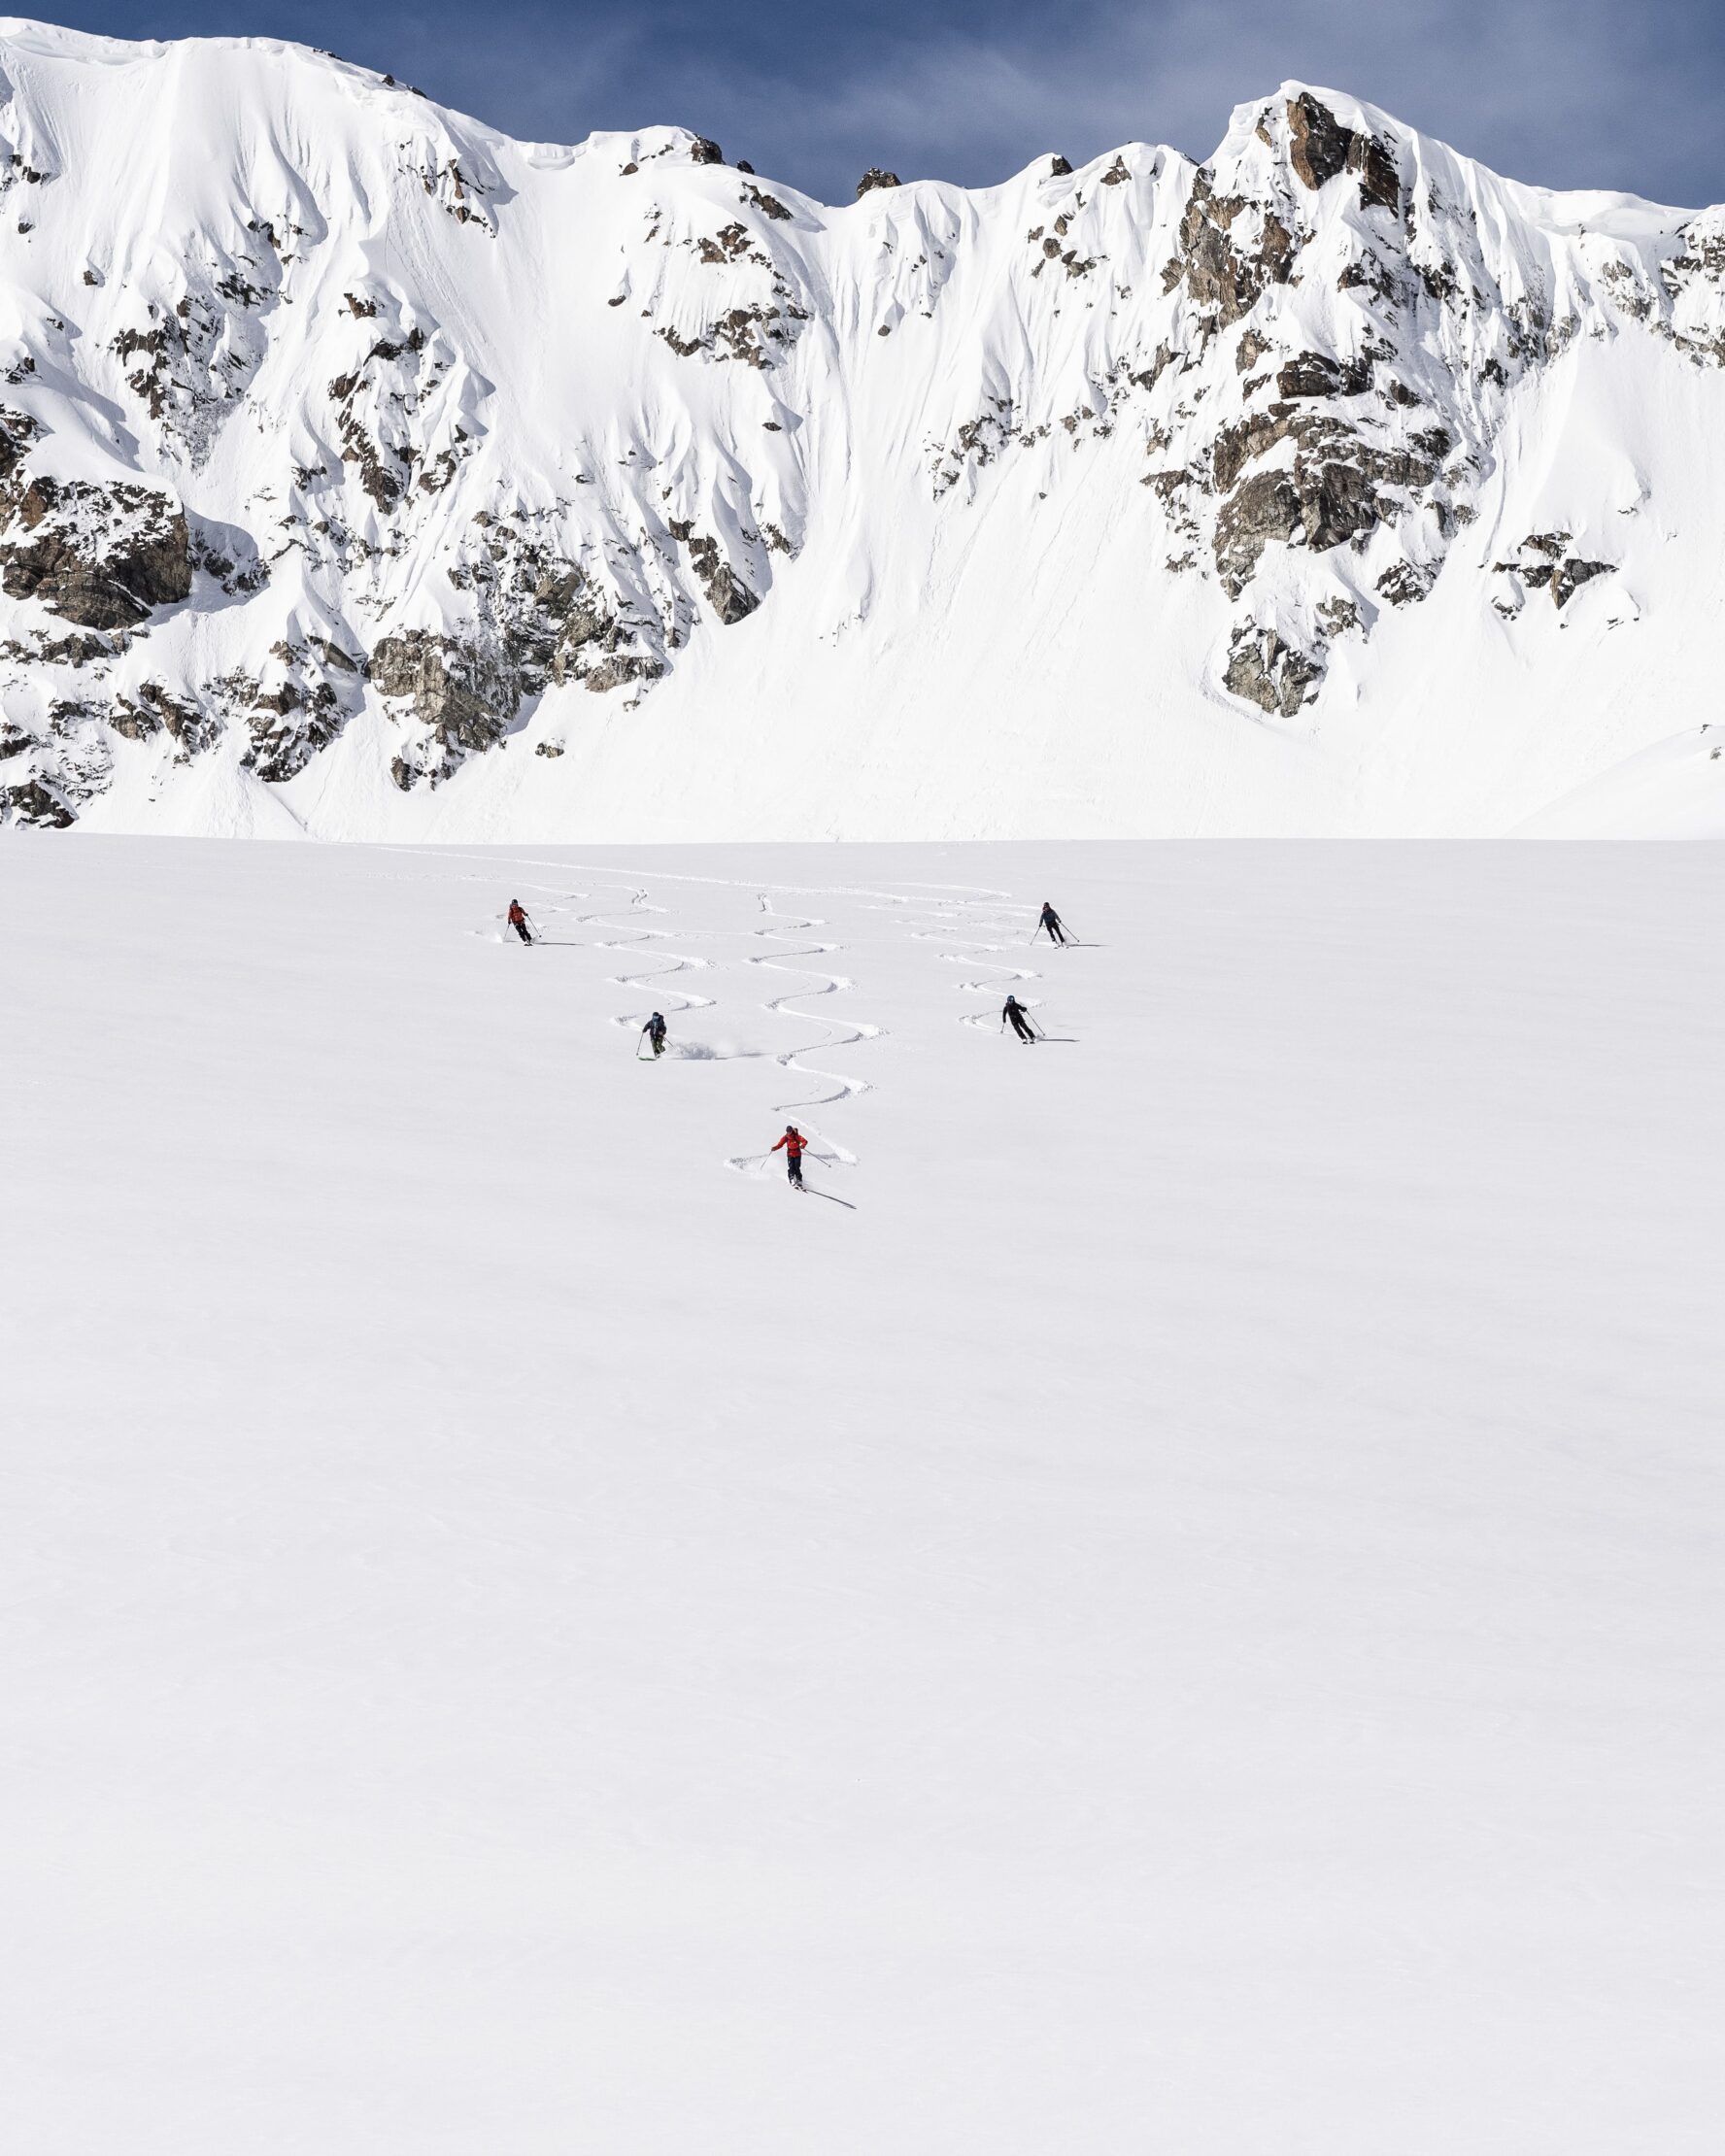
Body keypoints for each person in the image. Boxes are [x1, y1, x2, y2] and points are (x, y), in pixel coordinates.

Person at [771, 1124, 810, 1189]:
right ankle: (791, 1179)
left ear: (792, 1131)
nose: (788, 1133)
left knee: (797, 1167)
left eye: (790, 1131)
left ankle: (799, 1180)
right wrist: (775, 1148)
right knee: (791, 1167)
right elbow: (780, 1144)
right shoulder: (785, 1137)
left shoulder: (796, 1136)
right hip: (790, 1154)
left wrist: (803, 1145)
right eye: (787, 1132)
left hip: (797, 1153)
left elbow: (804, 1141)